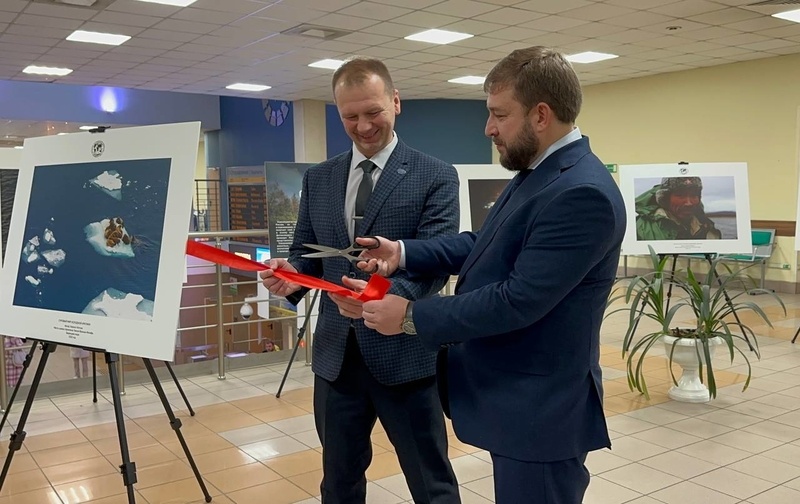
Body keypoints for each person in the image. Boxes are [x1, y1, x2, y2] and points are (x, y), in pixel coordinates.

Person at [352, 46, 626, 504]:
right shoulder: (541, 172)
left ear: (541, 115)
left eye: (500, 114)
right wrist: (402, 253)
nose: (489, 128)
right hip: (517, 401)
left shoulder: (581, 193)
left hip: (542, 410)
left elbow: (518, 299)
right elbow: (486, 245)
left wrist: (412, 315)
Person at [260, 56, 461, 504]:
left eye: (373, 112)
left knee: (431, 483)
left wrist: (381, 298)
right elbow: (307, 253)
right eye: (350, 116)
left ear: (396, 102)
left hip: (404, 354)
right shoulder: (320, 178)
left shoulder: (435, 175)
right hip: (336, 359)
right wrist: (293, 277)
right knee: (339, 482)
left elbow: (435, 261)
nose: (364, 126)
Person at [635, 176, 722, 240]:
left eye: (693, 195)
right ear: (665, 198)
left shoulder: (706, 226)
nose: (689, 203)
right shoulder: (641, 229)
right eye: (680, 195)